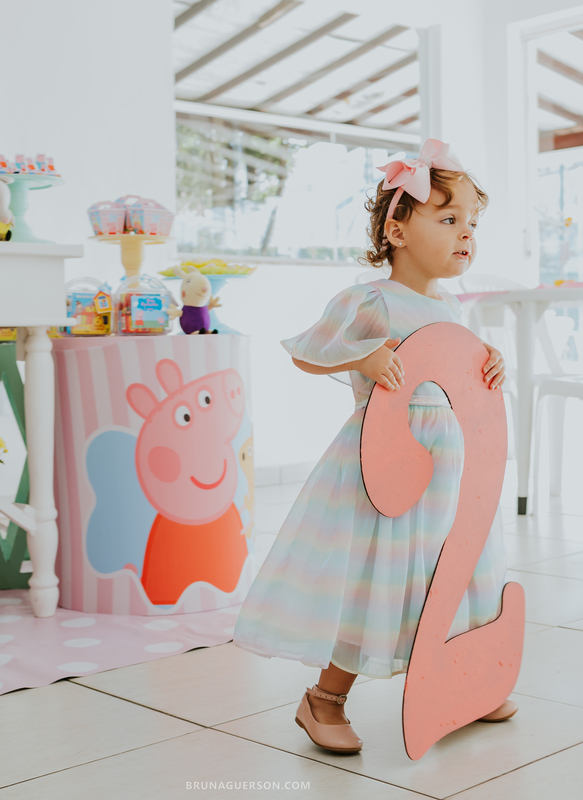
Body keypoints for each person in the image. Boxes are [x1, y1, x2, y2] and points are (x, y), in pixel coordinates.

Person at [232, 140, 514, 754]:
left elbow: (455, 376)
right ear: (397, 228)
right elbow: (307, 352)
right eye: (448, 219)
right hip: (386, 462)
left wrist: (488, 361)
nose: (466, 234)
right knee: (375, 579)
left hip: (450, 466)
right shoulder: (371, 301)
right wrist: (365, 354)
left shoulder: (447, 305)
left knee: (454, 569)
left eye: (472, 222)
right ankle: (324, 699)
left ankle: (461, 678)